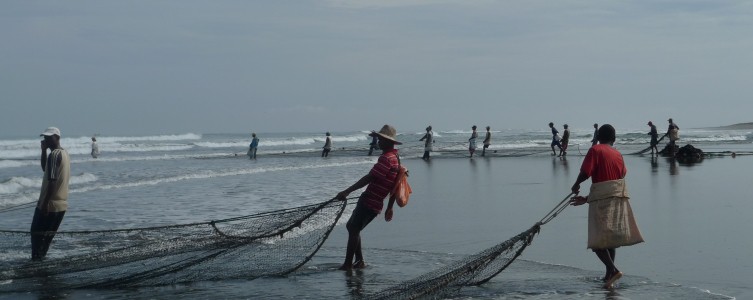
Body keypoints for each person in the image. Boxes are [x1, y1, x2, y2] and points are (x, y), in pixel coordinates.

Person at [569, 124, 644, 289]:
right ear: (614, 138)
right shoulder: (618, 154)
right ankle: (609, 275)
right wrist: (588, 198)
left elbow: (586, 172)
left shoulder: (595, 150)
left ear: (598, 137)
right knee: (609, 240)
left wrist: (576, 184)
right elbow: (617, 179)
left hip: (602, 200)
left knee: (597, 241)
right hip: (617, 198)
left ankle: (613, 269)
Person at [335, 124, 402, 270]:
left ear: (388, 142)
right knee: (352, 227)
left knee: (353, 228)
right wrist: (389, 207)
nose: (378, 142)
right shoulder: (395, 157)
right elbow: (395, 185)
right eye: (378, 139)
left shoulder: (386, 158)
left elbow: (370, 177)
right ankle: (359, 261)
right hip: (376, 201)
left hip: (371, 200)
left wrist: (347, 192)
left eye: (380, 139)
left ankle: (348, 264)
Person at [32, 127, 71, 260]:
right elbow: (46, 170)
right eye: (45, 137)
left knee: (37, 237)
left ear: (57, 138)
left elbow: (52, 181)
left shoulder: (54, 155)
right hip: (60, 206)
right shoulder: (64, 153)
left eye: (49, 137)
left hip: (50, 205)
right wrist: (43, 151)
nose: (46, 139)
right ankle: (41, 270)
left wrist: (45, 204)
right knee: (45, 241)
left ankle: (36, 269)